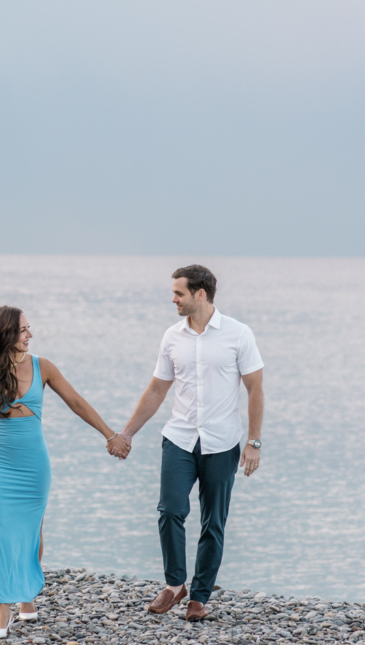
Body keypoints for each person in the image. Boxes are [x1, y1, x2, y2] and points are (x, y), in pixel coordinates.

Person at [107, 264, 264, 621]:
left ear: (201, 294)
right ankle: (175, 584)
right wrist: (128, 433)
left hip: (222, 442)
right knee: (170, 510)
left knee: (214, 522)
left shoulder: (239, 334)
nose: (173, 299)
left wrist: (254, 442)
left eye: (179, 293)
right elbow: (157, 389)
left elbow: (255, 388)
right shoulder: (171, 337)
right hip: (178, 438)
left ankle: (200, 596)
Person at [0, 305, 123, 638]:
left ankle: (27, 600)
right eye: (23, 330)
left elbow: (76, 402)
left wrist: (110, 435)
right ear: (6, 333)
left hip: (33, 464)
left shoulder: (43, 367)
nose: (30, 335)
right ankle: (2, 611)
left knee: (31, 530)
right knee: (0, 532)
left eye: (29, 328)